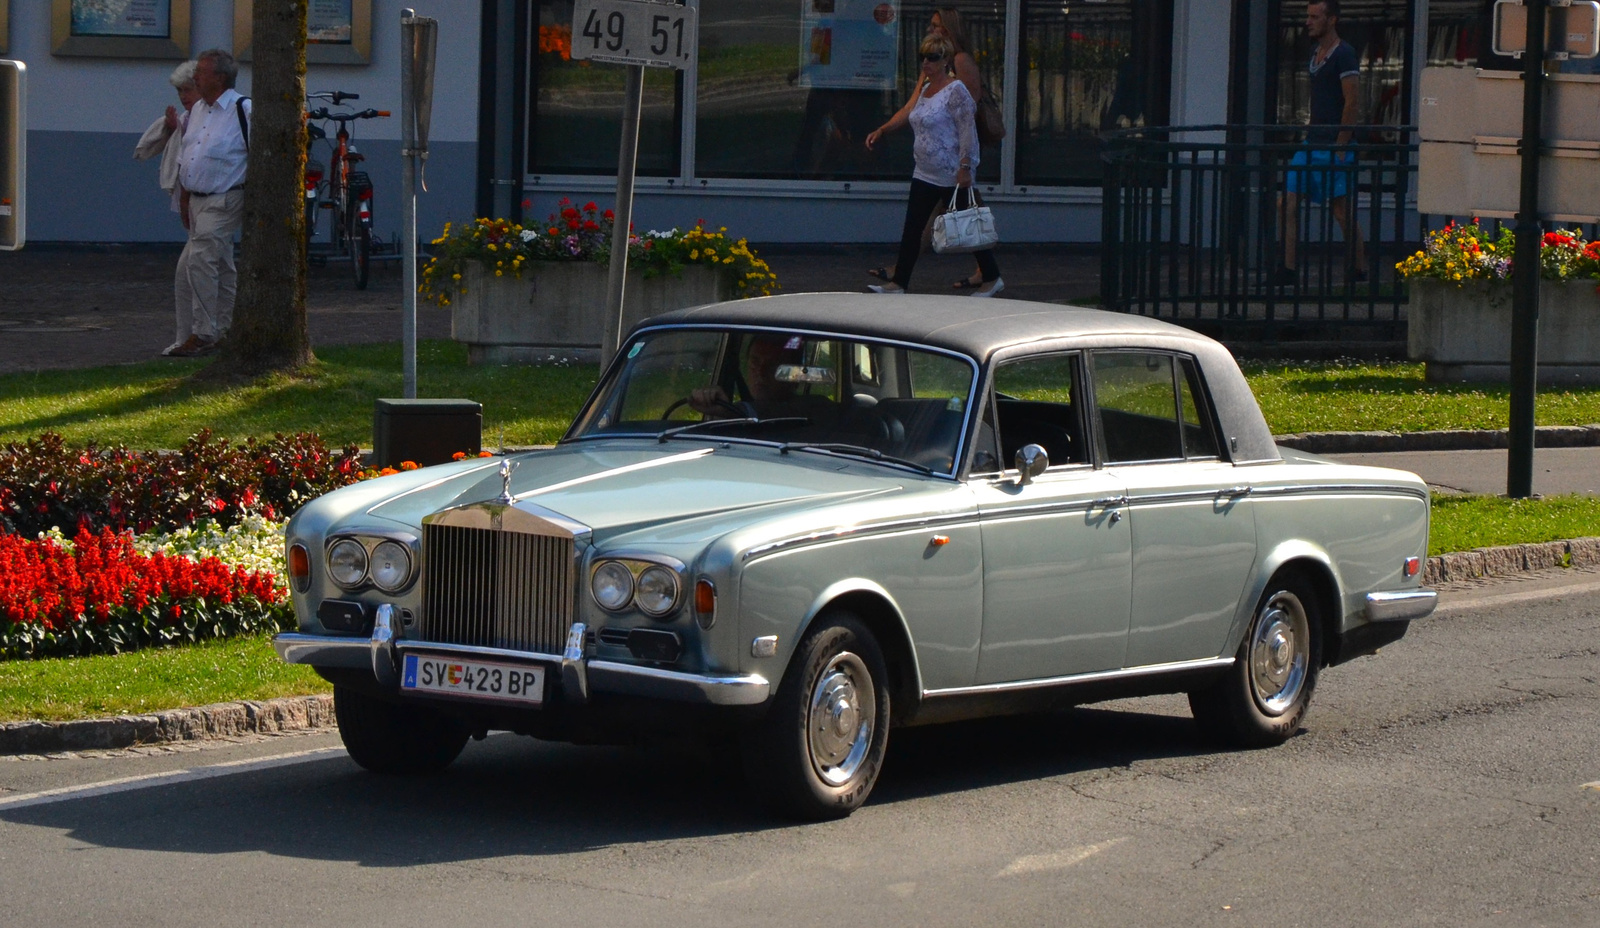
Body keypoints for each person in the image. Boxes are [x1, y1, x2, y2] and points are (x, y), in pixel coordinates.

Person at [864, 34, 1002, 297]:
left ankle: (992, 276)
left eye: (933, 57)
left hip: (951, 172)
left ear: (946, 60)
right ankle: (899, 282)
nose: (926, 63)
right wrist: (883, 129)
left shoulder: (956, 90)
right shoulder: (926, 88)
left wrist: (965, 166)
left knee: (967, 224)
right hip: (924, 171)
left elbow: (967, 131)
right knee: (913, 227)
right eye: (923, 57)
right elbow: (908, 111)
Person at [1275, 0, 1367, 286]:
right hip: (1312, 141)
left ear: (1332, 19)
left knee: (1340, 209)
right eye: (1308, 16)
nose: (1308, 22)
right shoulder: (1316, 53)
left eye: (1315, 17)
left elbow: (1352, 100)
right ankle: (1288, 270)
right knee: (1286, 202)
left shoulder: (1345, 54)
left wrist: (1341, 143)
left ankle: (1358, 268)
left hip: (1333, 144)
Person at [170, 48, 251, 358]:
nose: (195, 78)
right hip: (198, 199)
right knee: (222, 264)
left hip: (225, 198)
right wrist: (185, 196)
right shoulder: (198, 111)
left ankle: (205, 333)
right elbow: (188, 154)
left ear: (219, 78)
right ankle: (229, 328)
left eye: (200, 73)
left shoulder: (242, 109)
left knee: (200, 259)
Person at [134, 60, 201, 356]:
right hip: (195, 202)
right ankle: (195, 334)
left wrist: (177, 129)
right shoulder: (189, 118)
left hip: (207, 201)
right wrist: (174, 128)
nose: (184, 97)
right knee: (204, 268)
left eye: (188, 90)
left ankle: (196, 334)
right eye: (180, 92)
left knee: (191, 270)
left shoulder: (205, 119)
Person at [690, 335, 804, 418]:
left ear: (794, 375)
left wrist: (729, 411)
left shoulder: (811, 408)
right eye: (755, 362)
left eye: (773, 365)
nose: (761, 372)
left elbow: (777, 412)